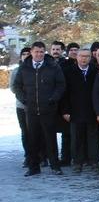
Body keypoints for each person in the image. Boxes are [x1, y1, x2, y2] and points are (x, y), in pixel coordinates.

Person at [12, 41, 66, 176]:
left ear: (44, 52)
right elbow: (17, 86)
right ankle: (33, 167)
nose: (39, 54)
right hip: (30, 109)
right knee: (32, 139)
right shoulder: (24, 67)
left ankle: (55, 166)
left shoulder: (52, 66)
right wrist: (24, 100)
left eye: (42, 52)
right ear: (31, 52)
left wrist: (53, 99)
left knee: (50, 138)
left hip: (48, 109)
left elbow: (61, 85)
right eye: (36, 51)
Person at [61, 47, 99, 172]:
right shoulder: (68, 71)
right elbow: (64, 93)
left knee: (93, 138)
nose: (84, 58)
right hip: (75, 111)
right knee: (76, 139)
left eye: (87, 56)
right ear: (77, 57)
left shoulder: (96, 70)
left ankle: (94, 161)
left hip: (92, 110)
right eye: (81, 56)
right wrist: (65, 110)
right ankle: (78, 162)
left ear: (90, 58)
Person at [11, 48, 32, 168]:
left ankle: (40, 156)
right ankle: (28, 156)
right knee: (25, 132)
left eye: (28, 54)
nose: (26, 56)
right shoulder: (16, 71)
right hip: (21, 106)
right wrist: (24, 99)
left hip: (36, 106)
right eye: (23, 54)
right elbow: (14, 88)